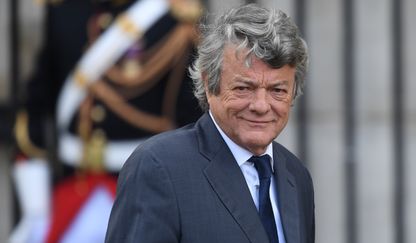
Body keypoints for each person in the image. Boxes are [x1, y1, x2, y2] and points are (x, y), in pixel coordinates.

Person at [105, 3, 314, 243]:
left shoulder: (296, 177)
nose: (261, 105)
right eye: (244, 88)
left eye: (277, 90)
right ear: (208, 83)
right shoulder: (159, 168)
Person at [10, 0, 203, 242]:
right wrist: (35, 208)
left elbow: (192, 123)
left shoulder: (171, 19)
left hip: (144, 193)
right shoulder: (65, 11)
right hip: (72, 191)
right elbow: (36, 107)